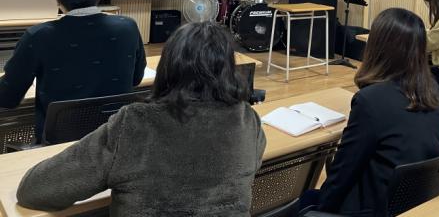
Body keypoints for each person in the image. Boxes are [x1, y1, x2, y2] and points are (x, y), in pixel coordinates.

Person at [16, 21, 266, 215]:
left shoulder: (135, 123)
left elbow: (35, 190)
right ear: (228, 69)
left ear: (168, 65)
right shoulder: (247, 120)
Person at [312, 7, 439, 217]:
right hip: (417, 204)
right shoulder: (431, 90)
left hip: (375, 208)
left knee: (307, 201)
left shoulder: (370, 101)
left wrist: (319, 211)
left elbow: (344, 171)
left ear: (377, 46)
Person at [0, 0, 146, 139]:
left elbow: (8, 98)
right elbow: (136, 79)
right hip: (114, 138)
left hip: (60, 147)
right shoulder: (128, 27)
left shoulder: (38, 35)